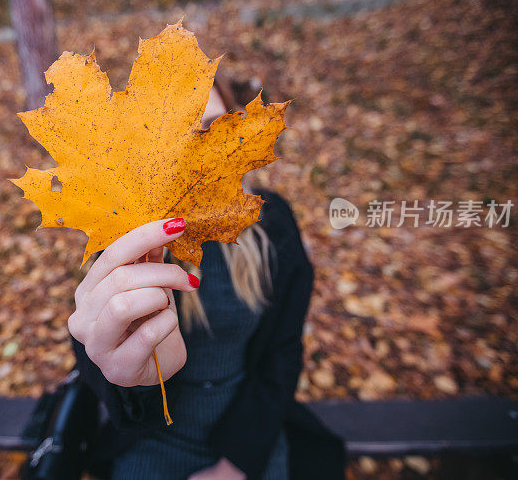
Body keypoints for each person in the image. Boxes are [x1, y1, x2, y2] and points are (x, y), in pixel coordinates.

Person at [68, 189, 345, 480]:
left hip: (248, 428)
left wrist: (236, 465)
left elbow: (282, 353)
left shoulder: (270, 222)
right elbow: (99, 359)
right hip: (151, 434)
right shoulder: (131, 227)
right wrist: (133, 380)